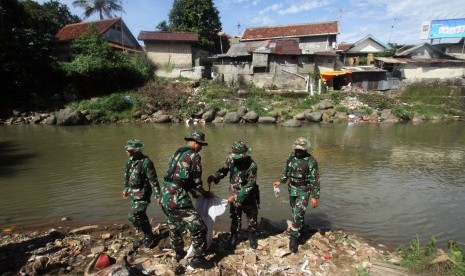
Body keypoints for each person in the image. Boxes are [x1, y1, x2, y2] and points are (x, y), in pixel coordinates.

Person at [160, 131, 213, 269]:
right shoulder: (194, 156)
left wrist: (195, 195)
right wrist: (204, 193)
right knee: (200, 228)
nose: (201, 147)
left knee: (174, 225)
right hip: (178, 197)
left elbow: (179, 178)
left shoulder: (177, 154)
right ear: (195, 143)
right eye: (200, 144)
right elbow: (196, 181)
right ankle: (198, 259)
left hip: (165, 195)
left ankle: (179, 253)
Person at [207, 141, 260, 250]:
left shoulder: (252, 166)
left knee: (251, 217)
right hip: (234, 192)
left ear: (244, 156)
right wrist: (215, 176)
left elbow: (250, 185)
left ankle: (252, 236)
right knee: (235, 216)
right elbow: (224, 170)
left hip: (249, 195)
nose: (236, 159)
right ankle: (234, 235)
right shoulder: (231, 160)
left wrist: (235, 197)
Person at [273, 138, 320, 253]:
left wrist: (315, 196)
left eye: (301, 150)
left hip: (304, 189)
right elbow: (287, 171)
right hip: (292, 188)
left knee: (298, 213)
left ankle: (294, 238)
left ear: (306, 149)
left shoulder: (311, 160)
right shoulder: (291, 157)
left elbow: (315, 180)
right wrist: (281, 181)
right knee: (295, 211)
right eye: (297, 149)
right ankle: (301, 228)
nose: (298, 151)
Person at [122, 139, 160, 247]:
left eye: (129, 149)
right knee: (141, 215)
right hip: (133, 193)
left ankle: (149, 234)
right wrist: (125, 189)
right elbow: (126, 177)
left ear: (137, 150)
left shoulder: (146, 162)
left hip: (143, 194)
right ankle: (148, 235)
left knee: (133, 215)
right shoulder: (130, 161)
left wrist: (158, 195)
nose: (127, 151)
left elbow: (153, 180)